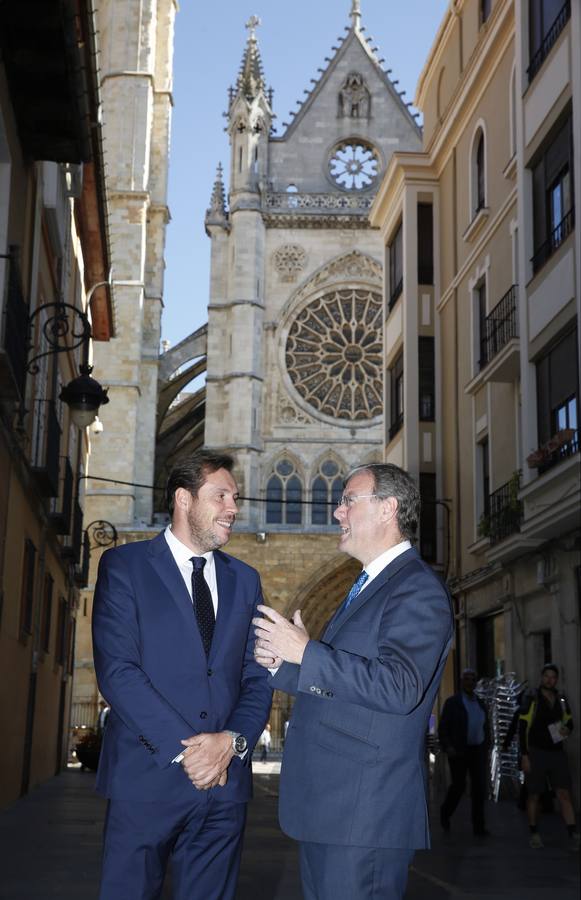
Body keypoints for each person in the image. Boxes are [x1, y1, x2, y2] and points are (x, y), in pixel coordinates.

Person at [254, 463, 453, 900]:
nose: (337, 512)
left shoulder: (416, 589)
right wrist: (280, 664)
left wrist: (306, 651)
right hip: (335, 808)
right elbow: (344, 682)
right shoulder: (371, 585)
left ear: (388, 509)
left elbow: (399, 687)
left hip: (365, 812)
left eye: (348, 500)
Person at [92, 450, 272, 900]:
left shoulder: (246, 580)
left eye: (236, 497)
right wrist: (189, 752)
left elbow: (256, 677)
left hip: (225, 786)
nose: (234, 508)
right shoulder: (125, 567)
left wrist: (230, 742)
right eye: (221, 496)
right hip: (145, 781)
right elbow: (118, 671)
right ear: (183, 499)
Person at [519, 663, 579, 849]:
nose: (549, 680)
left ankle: (572, 832)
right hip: (536, 752)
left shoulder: (561, 700)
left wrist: (566, 730)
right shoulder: (531, 698)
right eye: (547, 676)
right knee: (534, 794)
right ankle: (534, 832)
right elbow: (522, 727)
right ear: (542, 677)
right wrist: (525, 755)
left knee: (564, 793)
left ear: (556, 680)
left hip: (557, 753)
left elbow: (570, 722)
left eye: (553, 677)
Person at [438, 669, 490, 836]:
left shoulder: (481, 703)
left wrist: (486, 745)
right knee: (458, 786)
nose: (470, 682)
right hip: (459, 751)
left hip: (477, 750)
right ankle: (445, 813)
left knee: (479, 788)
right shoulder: (453, 703)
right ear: (461, 682)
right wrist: (448, 746)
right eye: (466, 679)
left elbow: (485, 726)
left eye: (473, 679)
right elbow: (443, 727)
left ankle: (479, 827)